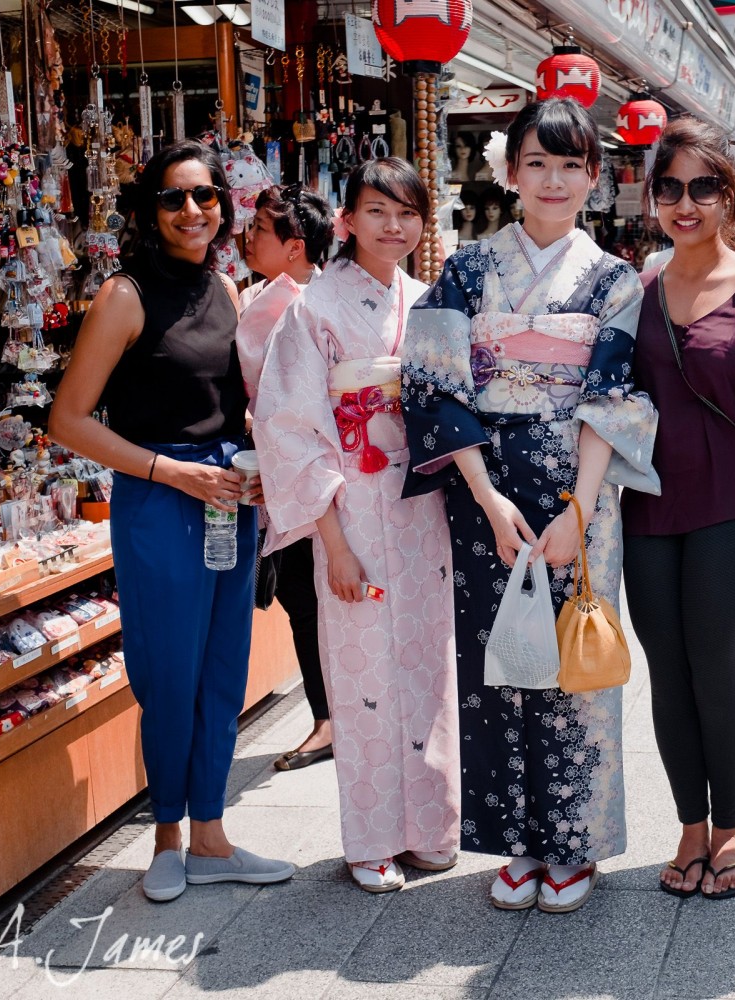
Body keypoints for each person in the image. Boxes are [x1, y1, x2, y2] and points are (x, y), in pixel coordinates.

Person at [401, 96, 659, 914]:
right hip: (486, 488)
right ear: (507, 173)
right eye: (536, 163)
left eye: (570, 165)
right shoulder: (467, 270)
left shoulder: (614, 278)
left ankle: (574, 842)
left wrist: (579, 511)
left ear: (594, 177)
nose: (553, 180)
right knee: (498, 662)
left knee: (575, 662)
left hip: (577, 488)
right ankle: (513, 841)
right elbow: (435, 381)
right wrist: (482, 495)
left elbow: (613, 395)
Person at [48, 140, 296, 902]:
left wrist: (257, 456)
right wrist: (168, 470)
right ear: (148, 212)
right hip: (160, 500)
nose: (193, 211)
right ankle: (165, 837)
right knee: (169, 675)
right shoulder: (124, 296)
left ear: (224, 205)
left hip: (228, 499)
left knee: (222, 672)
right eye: (174, 198)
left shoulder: (226, 287)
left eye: (206, 196)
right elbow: (67, 420)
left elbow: (233, 399)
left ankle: (213, 838)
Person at [252, 159, 460, 892]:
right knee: (364, 671)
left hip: (421, 508)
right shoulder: (314, 308)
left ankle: (431, 825)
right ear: (347, 219)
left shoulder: (427, 300)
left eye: (408, 213)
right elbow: (289, 427)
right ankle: (371, 837)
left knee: (428, 664)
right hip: (353, 511)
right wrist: (330, 543)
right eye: (377, 211)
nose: (393, 226)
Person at [622, 119, 735, 901]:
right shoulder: (637, 288)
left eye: (702, 187)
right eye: (670, 189)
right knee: (666, 674)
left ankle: (728, 828)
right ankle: (688, 826)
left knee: (711, 667)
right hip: (650, 504)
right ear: (653, 198)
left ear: (729, 195)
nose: (685, 203)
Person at [236, 184, 339, 772]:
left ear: (294, 247)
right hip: (288, 464)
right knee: (305, 594)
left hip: (306, 467)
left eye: (260, 231)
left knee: (308, 594)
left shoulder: (299, 305)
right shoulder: (283, 297)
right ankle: (329, 715)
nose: (248, 239)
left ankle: (329, 718)